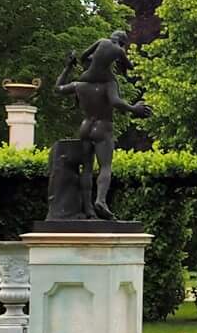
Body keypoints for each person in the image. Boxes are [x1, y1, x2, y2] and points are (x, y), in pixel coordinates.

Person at [54, 30, 151, 220]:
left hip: (85, 126)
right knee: (105, 167)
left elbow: (57, 89)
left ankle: (89, 209)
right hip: (103, 127)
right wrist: (134, 108)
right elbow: (115, 102)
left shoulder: (79, 85)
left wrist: (67, 68)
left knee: (87, 168)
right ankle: (101, 200)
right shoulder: (109, 83)